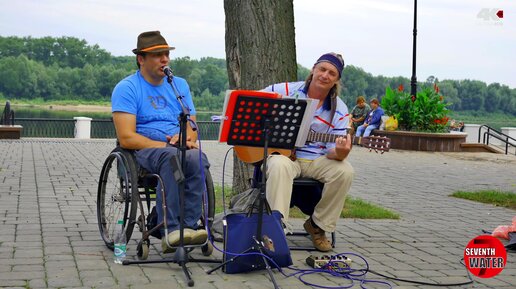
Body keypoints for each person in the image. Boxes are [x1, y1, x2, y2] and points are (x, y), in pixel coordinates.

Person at [111, 31, 209, 253]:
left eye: (166, 54)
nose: (164, 59)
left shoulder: (179, 85)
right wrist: (166, 146)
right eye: (157, 55)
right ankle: (171, 230)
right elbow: (126, 137)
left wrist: (186, 138)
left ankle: (189, 227)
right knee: (174, 157)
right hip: (144, 149)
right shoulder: (127, 88)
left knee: (196, 158)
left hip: (176, 146)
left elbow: (191, 125)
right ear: (141, 59)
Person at [262, 52, 355, 252]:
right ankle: (275, 228)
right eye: (322, 69)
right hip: (286, 157)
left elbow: (333, 153)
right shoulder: (286, 89)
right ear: (313, 70)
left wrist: (340, 152)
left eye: (332, 73)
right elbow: (256, 101)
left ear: (336, 80)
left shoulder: (339, 108)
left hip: (317, 159)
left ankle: (317, 226)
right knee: (277, 165)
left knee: (345, 171)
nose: (325, 75)